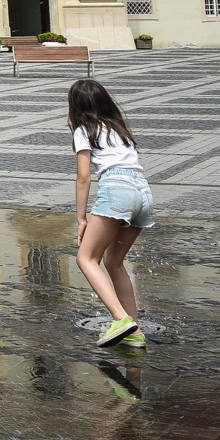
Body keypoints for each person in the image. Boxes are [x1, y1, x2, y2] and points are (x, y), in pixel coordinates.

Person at [68, 78, 154, 346]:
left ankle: (120, 318)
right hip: (143, 192)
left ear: (76, 107)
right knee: (114, 261)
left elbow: (84, 177)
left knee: (86, 259)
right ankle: (135, 333)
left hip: (117, 191)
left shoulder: (84, 130)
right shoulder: (119, 128)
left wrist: (81, 218)